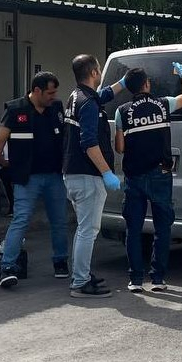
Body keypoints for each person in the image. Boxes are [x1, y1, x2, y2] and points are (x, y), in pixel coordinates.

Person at [0, 72, 69, 289]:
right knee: (20, 219)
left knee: (59, 221)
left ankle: (60, 262)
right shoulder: (15, 109)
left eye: (55, 92)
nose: (54, 97)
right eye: (50, 93)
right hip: (27, 178)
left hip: (55, 176)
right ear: (37, 90)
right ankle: (7, 268)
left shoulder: (56, 108)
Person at [114, 63, 182, 293]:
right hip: (161, 174)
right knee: (162, 228)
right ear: (147, 84)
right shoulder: (163, 104)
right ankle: (158, 279)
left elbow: (120, 147)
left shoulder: (122, 111)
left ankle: (135, 280)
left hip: (134, 176)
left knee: (134, 229)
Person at [63, 54, 126, 298]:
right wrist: (107, 172)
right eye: (99, 69)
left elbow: (104, 95)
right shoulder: (88, 103)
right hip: (87, 175)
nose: (100, 72)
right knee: (88, 230)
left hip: (74, 174)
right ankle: (80, 283)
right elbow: (89, 143)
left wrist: (123, 83)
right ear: (93, 73)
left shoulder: (76, 96)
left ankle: (82, 274)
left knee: (84, 229)